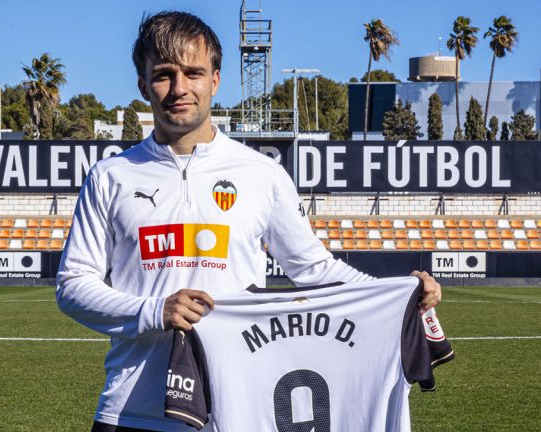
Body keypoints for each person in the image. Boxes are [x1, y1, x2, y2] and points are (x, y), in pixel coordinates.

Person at [56, 10, 441, 432]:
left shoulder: (262, 173)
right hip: (130, 411)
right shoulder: (111, 175)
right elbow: (74, 286)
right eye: (164, 74)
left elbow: (313, 268)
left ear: (215, 81)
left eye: (194, 73)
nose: (179, 88)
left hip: (233, 413)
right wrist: (154, 311)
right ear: (143, 84)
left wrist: (398, 294)